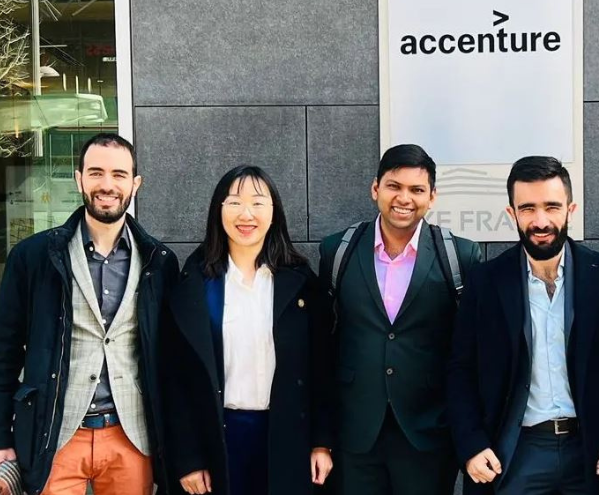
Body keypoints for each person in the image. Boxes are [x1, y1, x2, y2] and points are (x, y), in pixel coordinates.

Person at [448, 156, 599, 495]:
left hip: (591, 453)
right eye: (527, 208)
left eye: (552, 207)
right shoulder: (486, 282)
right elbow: (460, 370)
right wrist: (471, 445)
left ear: (571, 209)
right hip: (514, 454)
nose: (541, 221)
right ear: (511, 214)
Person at [0, 133, 178, 495]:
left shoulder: (160, 263)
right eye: (96, 173)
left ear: (135, 184)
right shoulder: (33, 257)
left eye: (119, 174)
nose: (107, 185)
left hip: (131, 438)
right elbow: (4, 351)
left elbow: (172, 361)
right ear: (79, 179)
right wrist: (2, 435)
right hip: (55, 437)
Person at [318, 144, 481, 495]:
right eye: (394, 186)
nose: (404, 198)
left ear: (432, 197)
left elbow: (469, 352)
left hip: (428, 432)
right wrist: (322, 436)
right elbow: (323, 347)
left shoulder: (460, 255)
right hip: (355, 433)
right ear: (375, 188)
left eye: (416, 189)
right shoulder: (338, 250)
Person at [161, 166, 333, 495]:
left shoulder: (300, 283)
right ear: (219, 209)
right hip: (218, 436)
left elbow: (321, 368)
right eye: (235, 202)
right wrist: (188, 457)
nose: (246, 214)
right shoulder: (195, 284)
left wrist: (322, 442)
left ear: (273, 212)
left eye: (257, 203)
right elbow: (175, 378)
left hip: (286, 435)